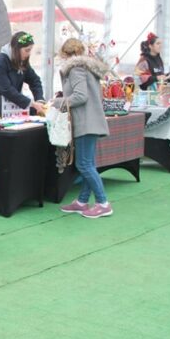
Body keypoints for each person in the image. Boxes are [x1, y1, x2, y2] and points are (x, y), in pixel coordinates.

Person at [55, 38, 113, 219]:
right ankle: (82, 201)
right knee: (88, 164)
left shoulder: (75, 69)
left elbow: (80, 96)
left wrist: (58, 102)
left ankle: (103, 203)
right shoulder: (88, 68)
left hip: (85, 123)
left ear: (67, 54)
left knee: (84, 164)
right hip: (92, 122)